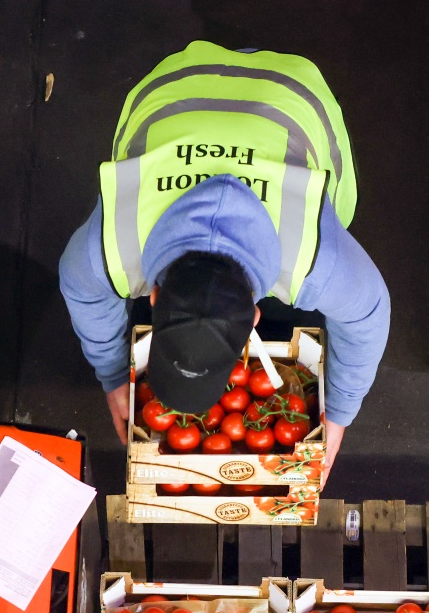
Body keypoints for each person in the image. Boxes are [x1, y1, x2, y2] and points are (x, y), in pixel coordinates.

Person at [58, 41, 389, 480]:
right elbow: (78, 285)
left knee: (337, 205)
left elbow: (369, 312)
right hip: (174, 79)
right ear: (254, 318)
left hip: (290, 92)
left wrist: (339, 413)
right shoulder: (107, 247)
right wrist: (114, 374)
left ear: (154, 298)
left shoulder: (312, 254)